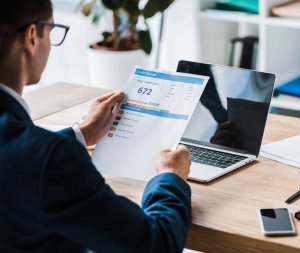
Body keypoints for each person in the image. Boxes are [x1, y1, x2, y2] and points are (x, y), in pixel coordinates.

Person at [0, 1, 192, 252]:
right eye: (51, 31)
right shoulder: (52, 160)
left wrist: (81, 133)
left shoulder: (33, 153)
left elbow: (14, 154)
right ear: (32, 36)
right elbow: (156, 245)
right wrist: (170, 178)